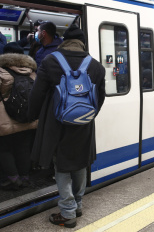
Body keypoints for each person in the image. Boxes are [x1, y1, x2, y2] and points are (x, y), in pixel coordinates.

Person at [28, 24, 106, 228]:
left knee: (61, 164)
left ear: (64, 41)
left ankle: (68, 212)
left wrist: (32, 115)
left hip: (56, 122)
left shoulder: (50, 60)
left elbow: (37, 93)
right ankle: (77, 205)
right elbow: (100, 97)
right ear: (82, 44)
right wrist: (88, 115)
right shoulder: (95, 65)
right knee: (80, 162)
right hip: (84, 124)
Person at [0, 43, 38, 190]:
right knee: (24, 147)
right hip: (27, 115)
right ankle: (25, 177)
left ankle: (13, 179)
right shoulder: (31, 71)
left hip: (4, 116)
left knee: (3, 148)